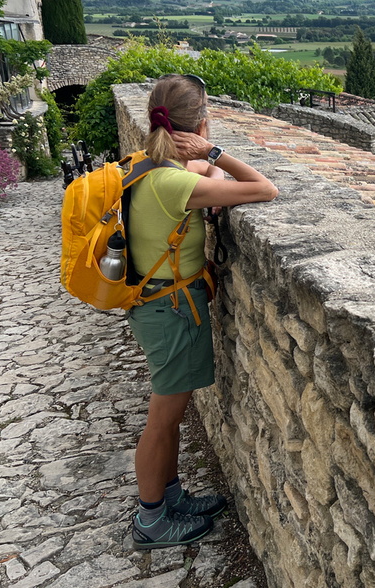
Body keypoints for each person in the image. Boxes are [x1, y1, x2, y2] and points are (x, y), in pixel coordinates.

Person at [127, 74, 278, 550]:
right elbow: (264, 188)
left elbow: (206, 185)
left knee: (172, 415)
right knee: (163, 418)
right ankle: (151, 519)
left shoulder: (149, 167)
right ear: (200, 124)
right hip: (168, 310)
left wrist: (202, 162)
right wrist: (214, 153)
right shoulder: (175, 183)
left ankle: (171, 497)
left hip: (162, 304)